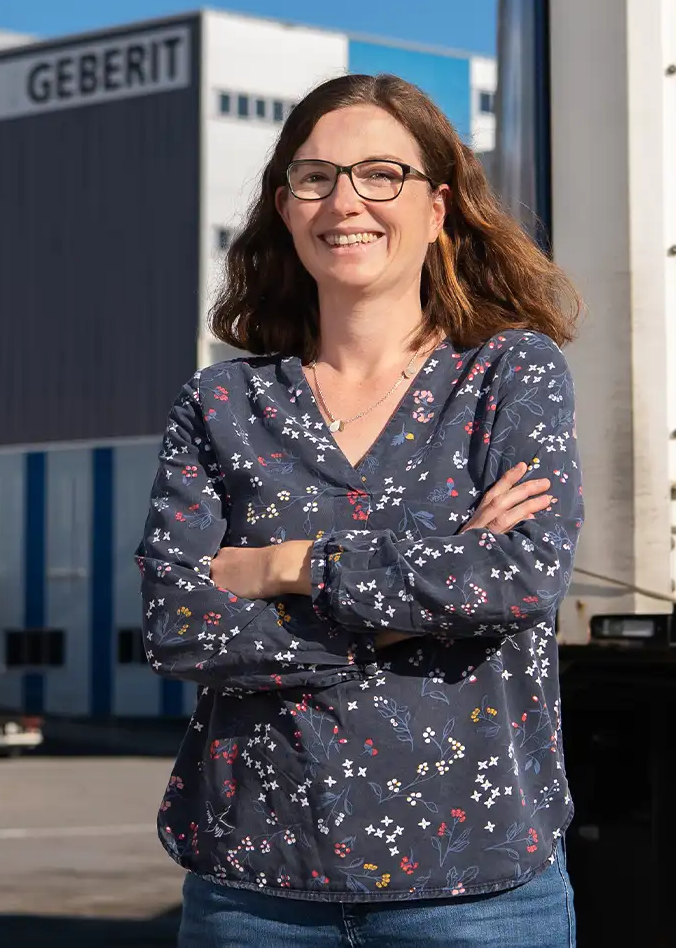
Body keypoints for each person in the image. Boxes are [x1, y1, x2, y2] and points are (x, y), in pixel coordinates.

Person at [134, 71, 586, 948]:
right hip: (253, 893)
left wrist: (289, 565)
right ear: (285, 204)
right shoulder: (222, 403)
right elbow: (178, 623)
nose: (347, 201)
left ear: (438, 206)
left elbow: (519, 578)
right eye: (316, 177)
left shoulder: (507, 376)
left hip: (477, 890)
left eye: (382, 174)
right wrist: (427, 591)